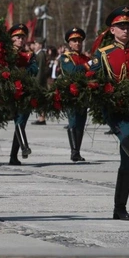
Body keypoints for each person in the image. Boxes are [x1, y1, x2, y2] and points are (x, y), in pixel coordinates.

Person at [90, 6, 129, 221]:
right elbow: (91, 76)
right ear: (112, 30)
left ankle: (120, 208)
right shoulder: (103, 53)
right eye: (121, 26)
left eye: (128, 26)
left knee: (126, 163)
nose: (125, 30)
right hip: (114, 107)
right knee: (125, 135)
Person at [59, 27, 91, 162]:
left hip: (83, 94)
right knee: (73, 122)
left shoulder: (86, 58)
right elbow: (72, 71)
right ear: (69, 44)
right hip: (71, 94)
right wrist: (86, 67)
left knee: (81, 123)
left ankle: (77, 151)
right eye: (74, 41)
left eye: (79, 40)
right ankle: (74, 152)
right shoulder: (66, 58)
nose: (77, 43)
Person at [7, 24, 38, 165]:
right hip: (9, 92)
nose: (20, 40)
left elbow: (34, 70)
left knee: (21, 122)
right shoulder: (6, 54)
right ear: (11, 39)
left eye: (22, 37)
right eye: (17, 37)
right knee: (19, 122)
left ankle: (15, 155)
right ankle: (23, 147)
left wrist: (21, 71)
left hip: (24, 92)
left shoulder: (29, 55)